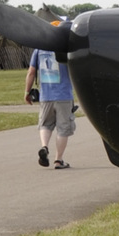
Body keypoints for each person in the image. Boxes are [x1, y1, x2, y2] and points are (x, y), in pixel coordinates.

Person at [23, 22, 76, 169]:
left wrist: (27, 92)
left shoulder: (39, 49)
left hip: (46, 95)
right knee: (63, 128)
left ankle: (44, 147)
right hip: (64, 95)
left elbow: (31, 72)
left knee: (45, 124)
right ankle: (58, 160)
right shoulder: (66, 48)